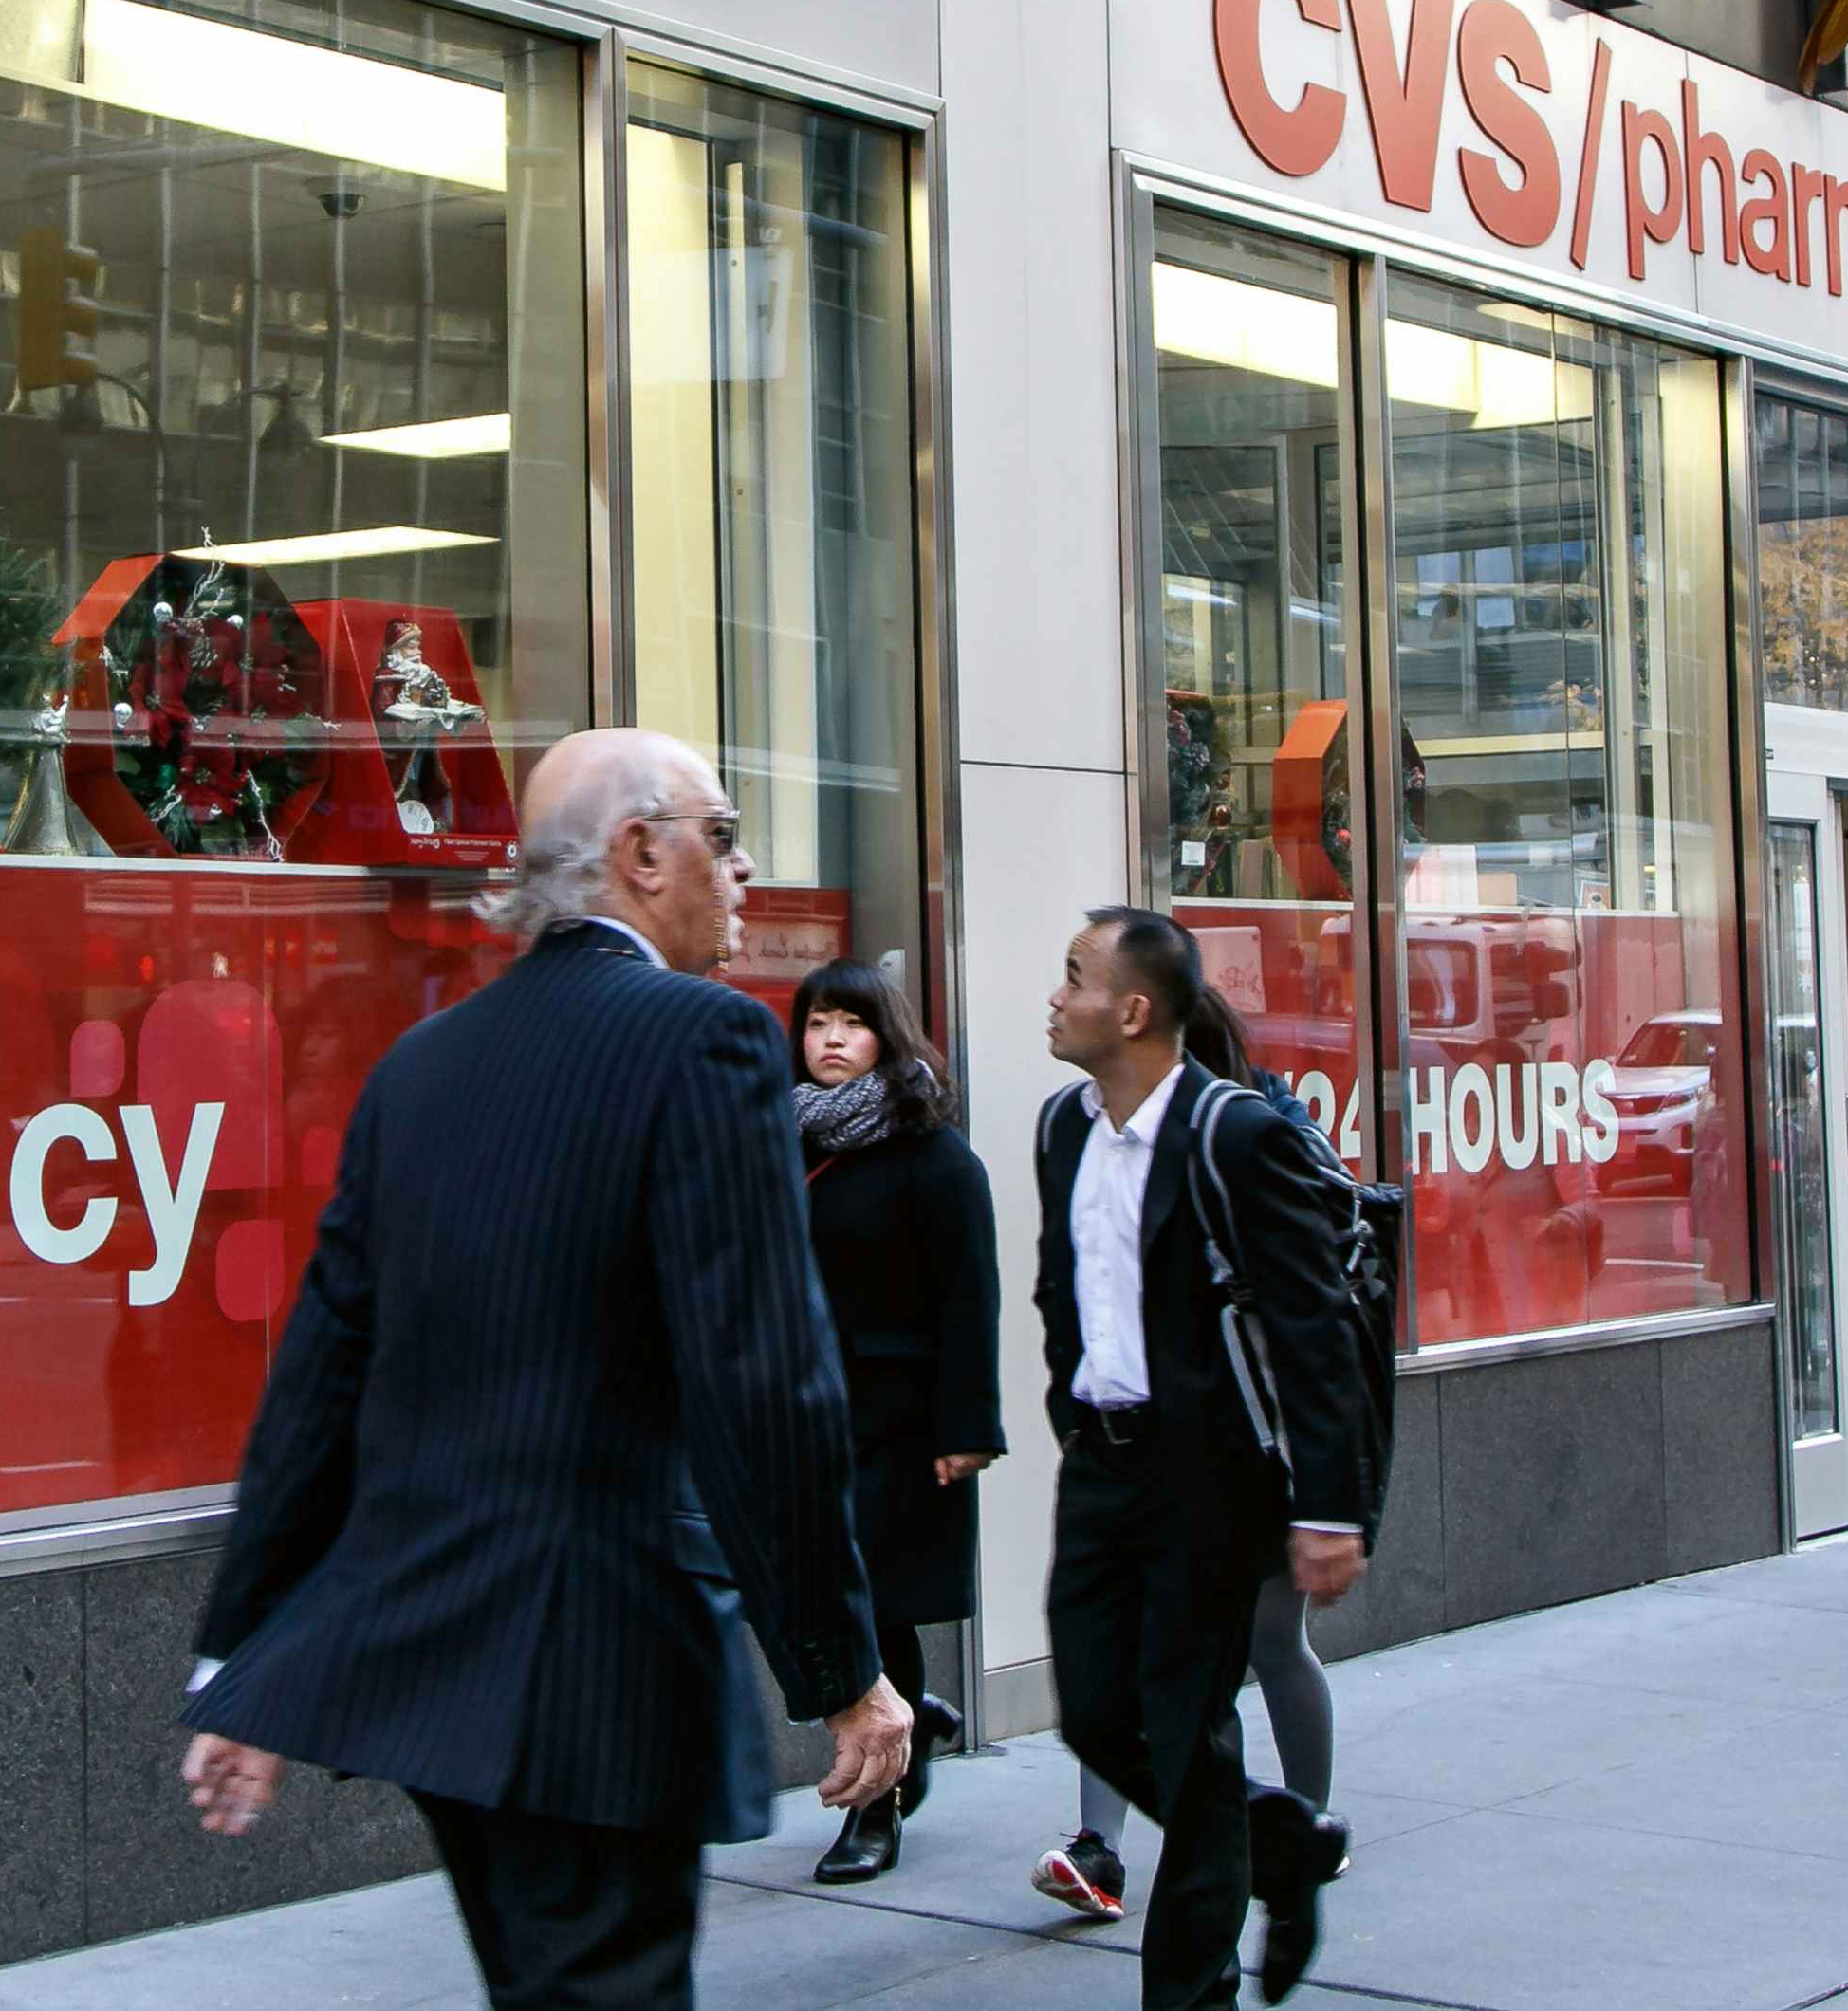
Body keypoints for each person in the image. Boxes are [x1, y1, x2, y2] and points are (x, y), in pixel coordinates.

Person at [180, 729, 911, 2006]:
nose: (741, 873)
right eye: (721, 837)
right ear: (638, 854)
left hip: (433, 1668)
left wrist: (237, 1653)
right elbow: (762, 1378)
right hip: (598, 1667)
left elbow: (321, 1374)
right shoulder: (705, 1041)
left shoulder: (422, 1065)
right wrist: (840, 1666)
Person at [1035, 909, 1378, 2007]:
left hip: (1208, 1475)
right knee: (1094, 1708)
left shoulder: (1235, 1134)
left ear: (1133, 1009)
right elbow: (1061, 1290)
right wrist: (1074, 1410)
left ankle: (1194, 1991)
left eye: (1075, 976)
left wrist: (1330, 1502)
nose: (1056, 994)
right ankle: (1277, 1844)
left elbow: (1315, 1327)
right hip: (1102, 1464)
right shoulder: (1062, 1127)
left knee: (1187, 1725)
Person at [785, 954, 1001, 1885]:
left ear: (888, 1035)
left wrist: (968, 1425)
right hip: (803, 1413)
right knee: (816, 1603)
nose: (830, 1039)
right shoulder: (783, 1139)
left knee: (873, 1609)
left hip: (901, 1419)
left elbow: (970, 1297)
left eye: (851, 1022)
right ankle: (918, 1719)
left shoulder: (934, 1153)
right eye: (816, 1021)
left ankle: (873, 1811)